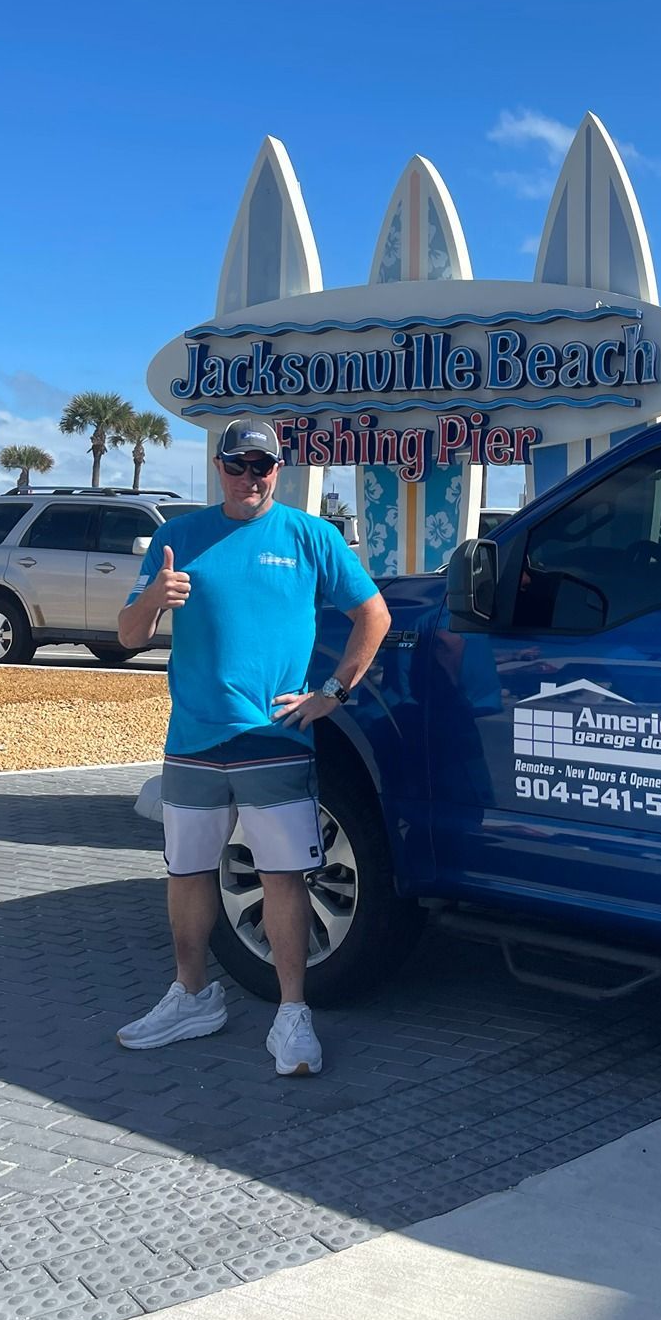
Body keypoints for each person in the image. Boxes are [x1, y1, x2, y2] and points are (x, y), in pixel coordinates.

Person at [114, 418, 390, 1076]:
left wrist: (332, 692)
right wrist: (154, 597)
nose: (250, 478)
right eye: (237, 465)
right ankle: (190, 996)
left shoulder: (310, 536)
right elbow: (127, 635)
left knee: (282, 877)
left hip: (274, 740)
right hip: (194, 741)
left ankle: (292, 1014)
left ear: (278, 468)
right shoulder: (177, 537)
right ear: (218, 467)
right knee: (187, 874)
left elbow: (373, 615)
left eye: (262, 465)